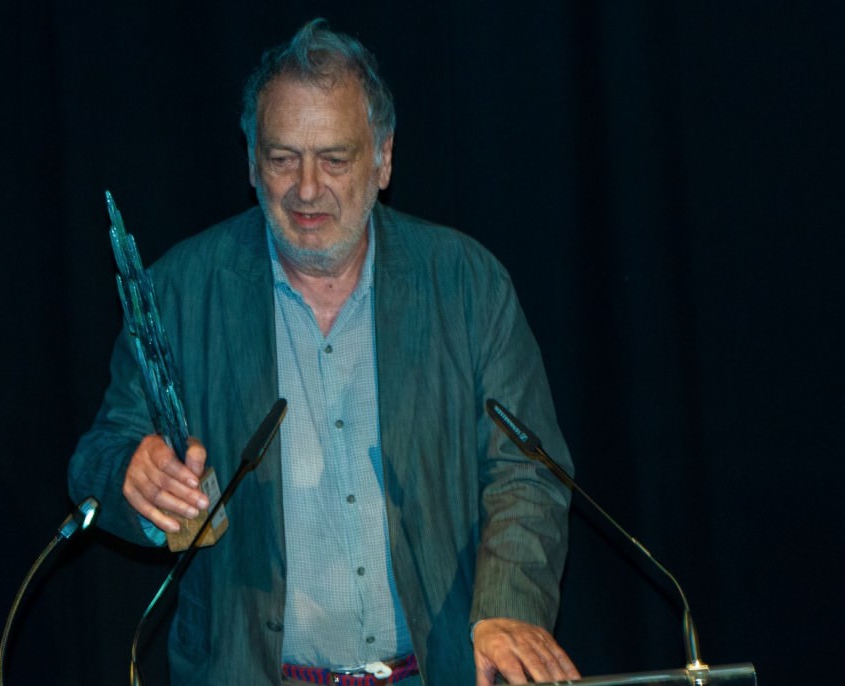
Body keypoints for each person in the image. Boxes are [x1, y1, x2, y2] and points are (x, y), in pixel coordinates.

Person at [69, 18, 580, 686]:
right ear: (252, 163)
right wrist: (131, 478)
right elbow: (99, 455)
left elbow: (529, 471)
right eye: (283, 158)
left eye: (335, 159)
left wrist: (510, 608)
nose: (307, 189)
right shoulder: (180, 290)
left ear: (384, 157)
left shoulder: (463, 284)